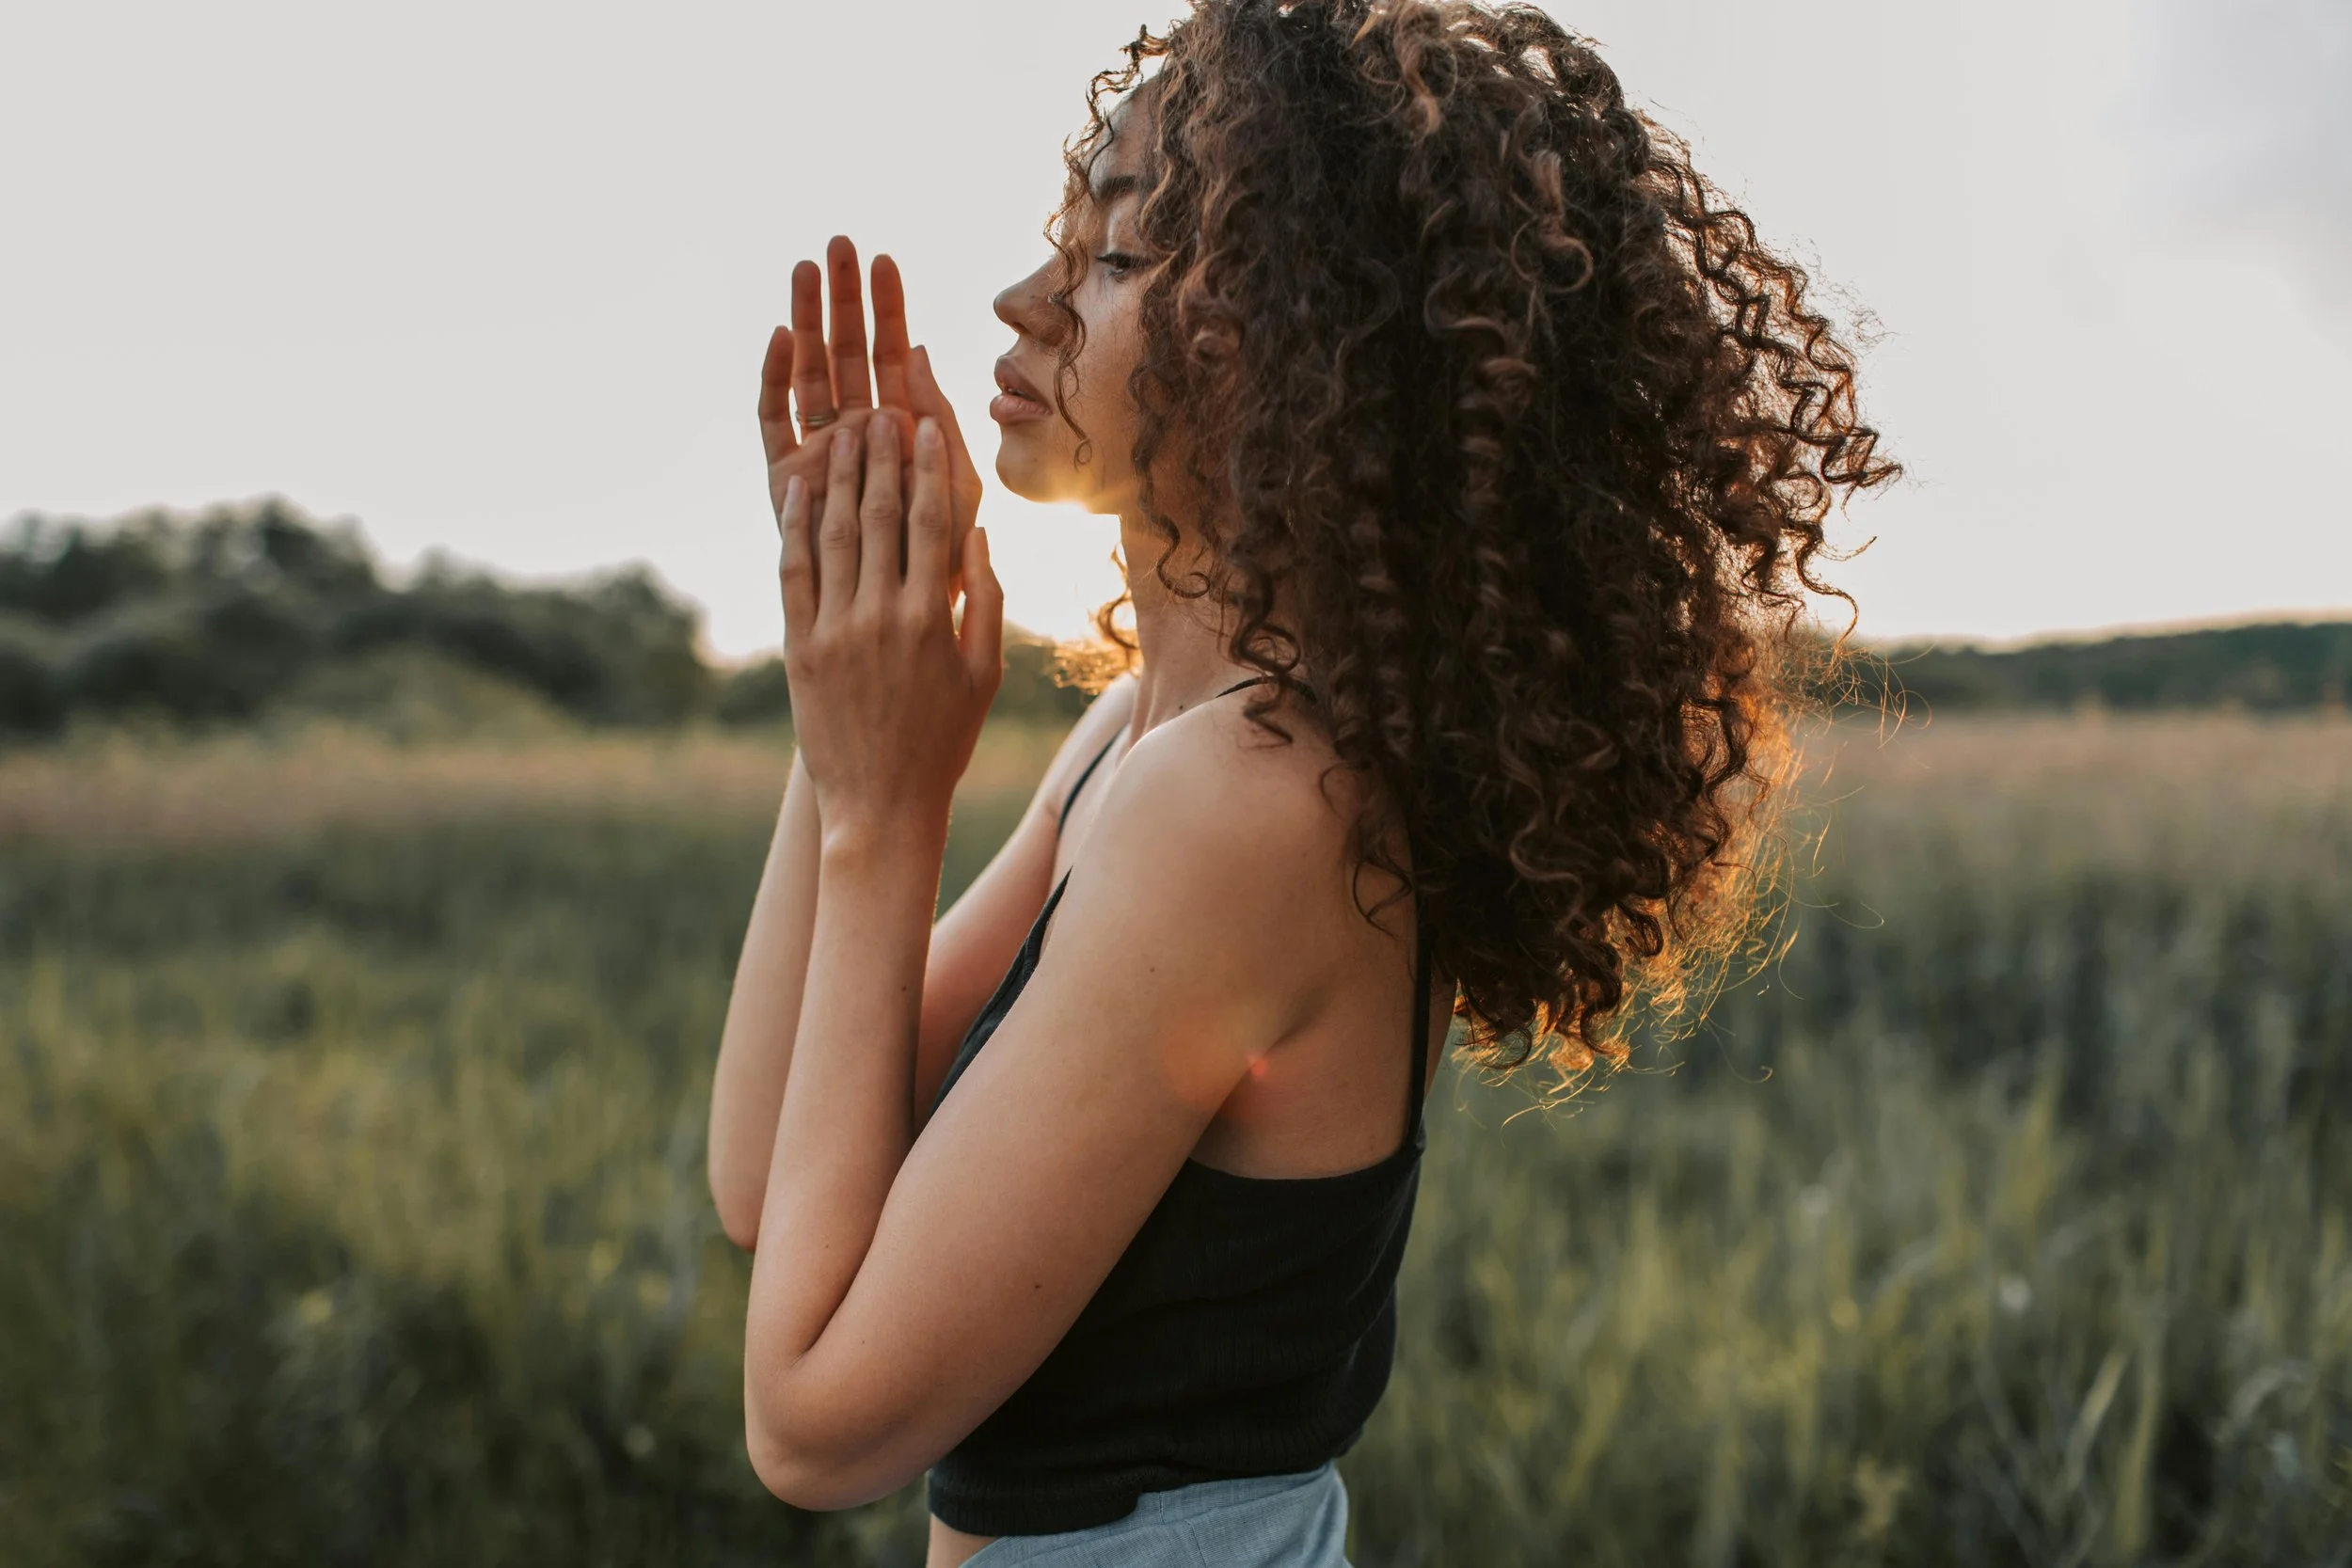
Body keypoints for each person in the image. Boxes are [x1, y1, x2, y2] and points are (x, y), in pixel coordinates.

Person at [706, 3, 1896, 1562]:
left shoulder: (1252, 801)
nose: (1022, 301)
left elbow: (814, 1425)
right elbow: (768, 1181)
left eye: (1115, 257)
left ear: (1290, 337)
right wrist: (850, 687)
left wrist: (884, 809)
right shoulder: (1138, 740)